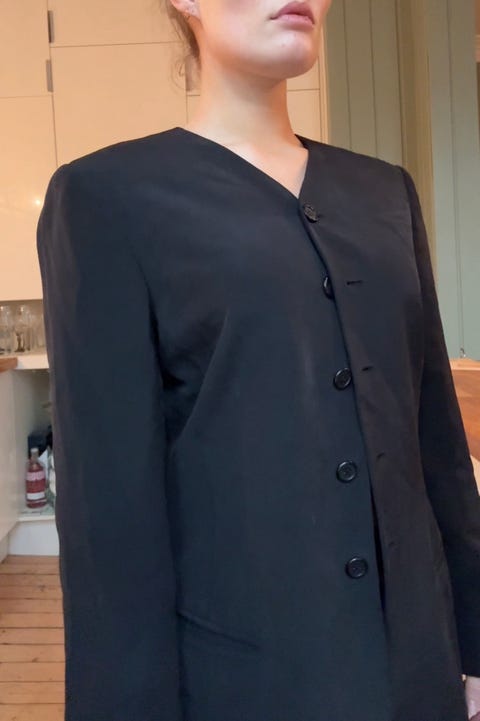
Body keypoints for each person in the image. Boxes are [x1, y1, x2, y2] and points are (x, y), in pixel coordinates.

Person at [36, 1, 480, 720]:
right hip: (245, 678)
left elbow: (436, 443)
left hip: (417, 667)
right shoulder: (106, 198)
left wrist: (474, 639)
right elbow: (108, 512)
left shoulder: (385, 193)